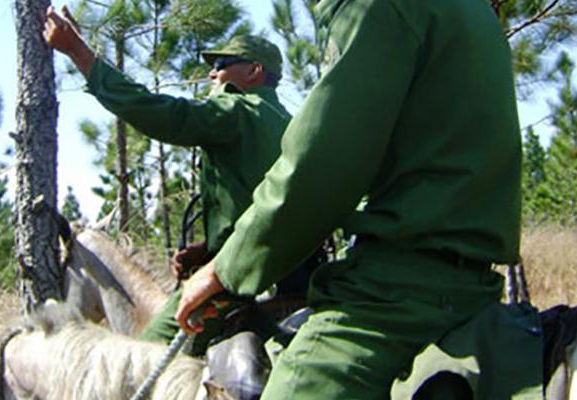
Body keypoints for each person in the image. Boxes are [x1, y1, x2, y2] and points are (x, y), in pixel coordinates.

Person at [175, 0, 543, 398]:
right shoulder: (475, 11)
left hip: (397, 294)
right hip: (472, 284)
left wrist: (224, 271)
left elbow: (320, 168)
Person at [43, 6, 312, 355]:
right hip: (296, 273)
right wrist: (210, 247)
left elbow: (160, 112)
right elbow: (264, 203)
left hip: (242, 278)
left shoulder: (238, 111)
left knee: (142, 358)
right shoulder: (289, 122)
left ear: (254, 71)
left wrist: (78, 52)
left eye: (222, 65)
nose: (212, 73)